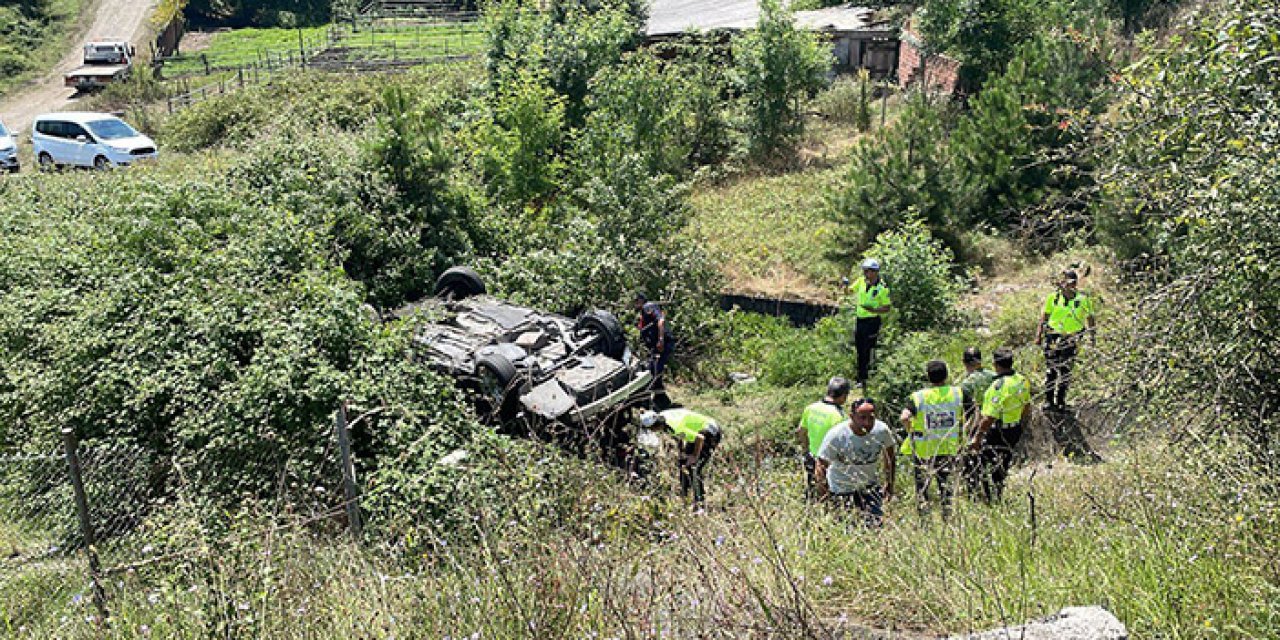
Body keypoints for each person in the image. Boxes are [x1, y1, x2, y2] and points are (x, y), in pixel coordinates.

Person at [899, 360, 968, 518]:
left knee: (923, 489)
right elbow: (974, 411)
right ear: (947, 375)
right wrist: (965, 431)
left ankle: (925, 520)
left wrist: (912, 431)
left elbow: (904, 417)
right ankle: (947, 517)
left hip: (924, 452)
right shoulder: (958, 393)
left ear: (928, 377)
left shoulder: (919, 397)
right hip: (949, 449)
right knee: (947, 488)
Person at [815, 399, 897, 527]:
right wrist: (825, 496)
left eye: (871, 418)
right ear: (852, 416)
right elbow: (820, 466)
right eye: (862, 418)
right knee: (847, 529)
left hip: (869, 488)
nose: (867, 423)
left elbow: (890, 456)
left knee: (875, 528)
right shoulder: (837, 435)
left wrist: (890, 483)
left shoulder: (881, 430)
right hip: (841, 490)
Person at [968, 347, 1031, 502]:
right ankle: (998, 495)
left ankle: (987, 498)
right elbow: (1027, 407)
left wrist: (977, 437)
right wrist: (1021, 427)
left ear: (995, 364)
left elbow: (989, 417)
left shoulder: (998, 386)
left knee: (979, 463)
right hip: (1014, 429)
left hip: (997, 431)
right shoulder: (1022, 380)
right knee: (1003, 464)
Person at [1035, 270, 1096, 412]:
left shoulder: (1083, 300)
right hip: (1053, 336)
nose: (1070, 286)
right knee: (1051, 369)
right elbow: (1044, 317)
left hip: (1072, 337)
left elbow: (1090, 318)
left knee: (1066, 369)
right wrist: (1038, 335)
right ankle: (1049, 401)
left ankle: (1061, 401)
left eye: (1073, 283)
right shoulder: (1053, 298)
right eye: (1067, 282)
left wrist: (1092, 336)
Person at [640, 408, 722, 508]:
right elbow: (678, 436)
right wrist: (682, 452)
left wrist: (694, 456)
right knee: (683, 464)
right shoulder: (662, 417)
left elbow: (700, 438)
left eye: (651, 429)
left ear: (655, 427)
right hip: (696, 432)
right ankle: (685, 498)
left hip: (710, 431)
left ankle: (700, 503)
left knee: (693, 468)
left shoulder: (674, 426)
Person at [796, 377, 850, 499]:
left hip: (811, 457)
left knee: (812, 491)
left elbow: (801, 431)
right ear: (844, 396)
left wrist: (806, 451)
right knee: (829, 496)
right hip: (828, 462)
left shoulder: (810, 408)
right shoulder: (839, 416)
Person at [848, 259, 892, 389]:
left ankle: (867, 377)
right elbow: (850, 291)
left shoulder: (882, 288)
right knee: (860, 348)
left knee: (868, 349)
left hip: (872, 321)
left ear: (875, 272)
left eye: (868, 271)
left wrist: (873, 310)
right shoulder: (861, 281)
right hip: (860, 320)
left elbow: (887, 307)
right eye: (864, 271)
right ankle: (860, 376)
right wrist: (845, 287)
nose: (865, 273)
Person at [634, 293, 676, 407]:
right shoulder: (644, 312)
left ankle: (654, 400)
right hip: (656, 346)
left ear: (641, 300)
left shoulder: (648, 306)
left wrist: (661, 340)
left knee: (654, 371)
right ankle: (659, 399)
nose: (635, 304)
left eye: (636, 301)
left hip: (663, 344)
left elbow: (661, 321)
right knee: (653, 370)